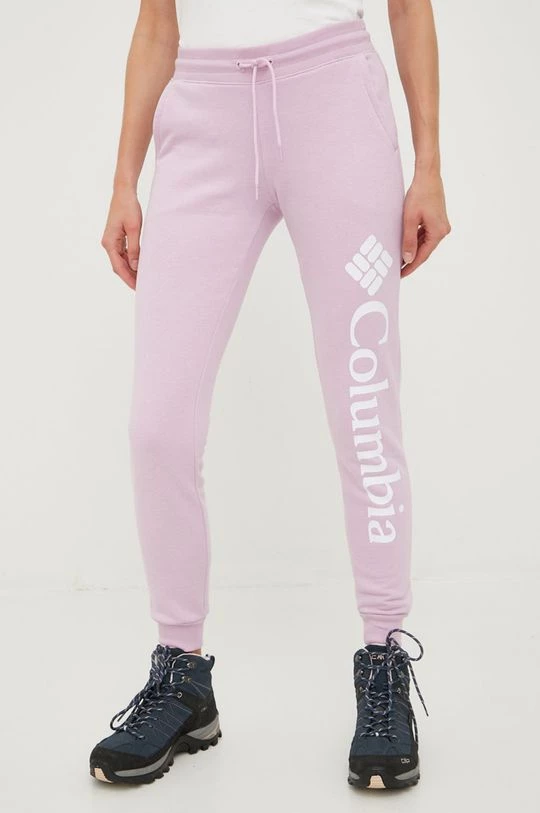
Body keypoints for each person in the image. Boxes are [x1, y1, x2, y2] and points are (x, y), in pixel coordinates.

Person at [90, 0, 450, 790]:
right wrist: (123, 178)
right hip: (202, 121)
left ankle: (384, 657)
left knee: (362, 405)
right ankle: (181, 674)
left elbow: (408, 5)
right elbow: (157, 23)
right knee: (159, 426)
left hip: (337, 110)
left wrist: (428, 164)